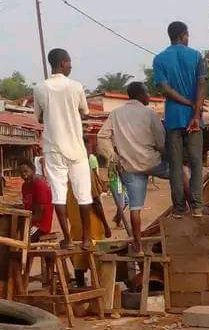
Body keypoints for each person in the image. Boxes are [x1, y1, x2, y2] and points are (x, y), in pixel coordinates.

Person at [97, 82, 168, 255]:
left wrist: (114, 157)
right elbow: (161, 141)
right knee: (182, 173)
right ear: (141, 94)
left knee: (135, 208)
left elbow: (102, 136)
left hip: (129, 166)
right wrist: (166, 153)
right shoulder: (150, 113)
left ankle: (137, 247)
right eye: (147, 93)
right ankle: (185, 210)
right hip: (152, 162)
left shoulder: (115, 114)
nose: (149, 96)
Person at [33, 48, 93, 250]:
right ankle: (86, 238)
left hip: (53, 148)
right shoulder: (76, 87)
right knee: (83, 194)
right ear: (63, 63)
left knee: (59, 194)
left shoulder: (40, 88)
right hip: (76, 147)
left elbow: (39, 117)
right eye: (69, 63)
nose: (71, 66)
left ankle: (67, 239)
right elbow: (85, 112)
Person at [153, 21, 206, 218]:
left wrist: (186, 103)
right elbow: (202, 85)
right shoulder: (196, 56)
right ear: (183, 35)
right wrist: (195, 110)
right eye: (187, 34)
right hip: (194, 119)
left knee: (175, 165)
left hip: (173, 118)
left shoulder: (159, 59)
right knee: (195, 162)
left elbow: (165, 89)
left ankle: (179, 208)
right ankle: (198, 207)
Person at [67, 168, 109, 287]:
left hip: (75, 223)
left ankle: (81, 288)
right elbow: (96, 202)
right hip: (91, 224)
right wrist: (106, 225)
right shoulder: (86, 172)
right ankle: (97, 288)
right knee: (96, 258)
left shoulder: (67, 174)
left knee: (78, 257)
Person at [19, 160, 53, 243]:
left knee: (26, 240)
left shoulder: (39, 185)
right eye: (21, 172)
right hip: (30, 220)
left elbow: (39, 214)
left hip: (40, 224)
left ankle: (26, 255)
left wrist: (24, 219)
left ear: (33, 170)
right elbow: (26, 204)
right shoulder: (24, 186)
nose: (24, 174)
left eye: (26, 171)